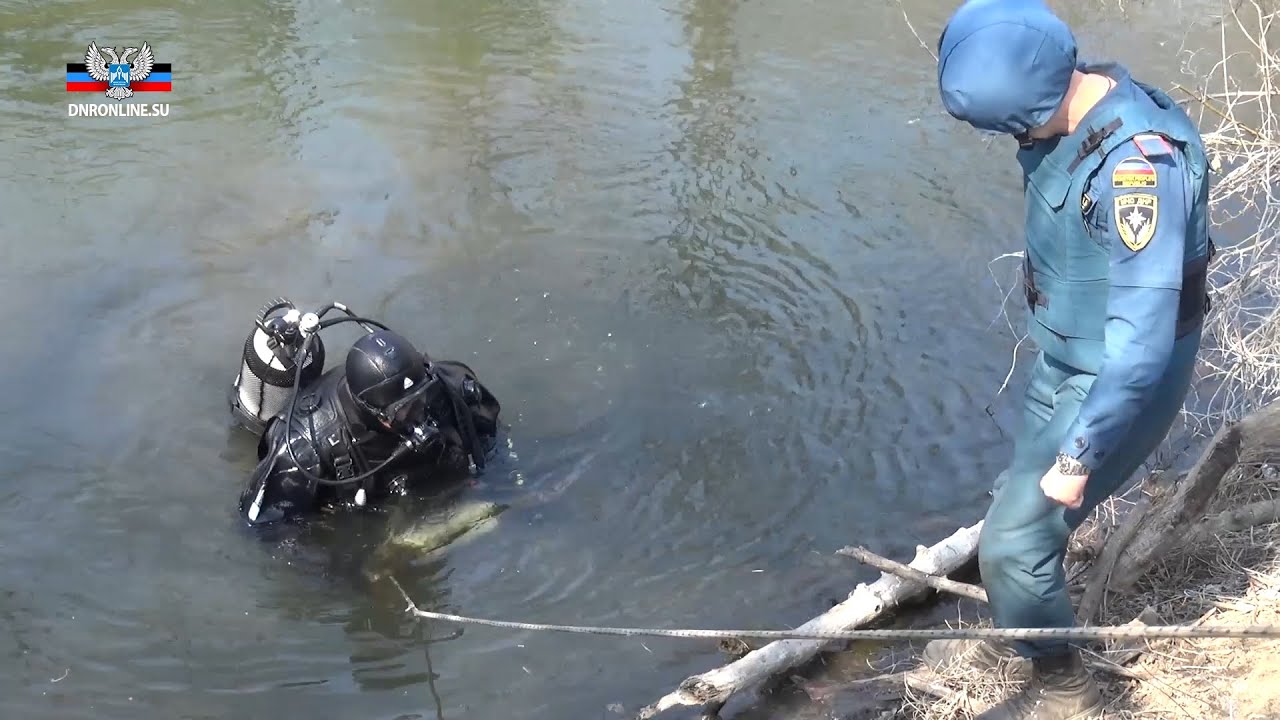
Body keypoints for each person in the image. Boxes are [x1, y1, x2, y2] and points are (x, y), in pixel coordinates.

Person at [926, 1, 1213, 717]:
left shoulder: (1137, 169)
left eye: (1008, 126)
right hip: (1068, 356)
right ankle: (1023, 621)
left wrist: (1079, 456)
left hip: (1119, 375)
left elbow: (1143, 342)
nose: (1011, 140)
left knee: (1015, 541)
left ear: (1032, 104)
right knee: (1015, 504)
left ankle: (1064, 684)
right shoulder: (1085, 103)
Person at [237, 328, 503, 527]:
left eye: (420, 399)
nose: (418, 414)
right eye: (400, 411)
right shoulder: (304, 448)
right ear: (369, 409)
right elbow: (266, 530)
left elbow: (493, 439)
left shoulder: (446, 388)